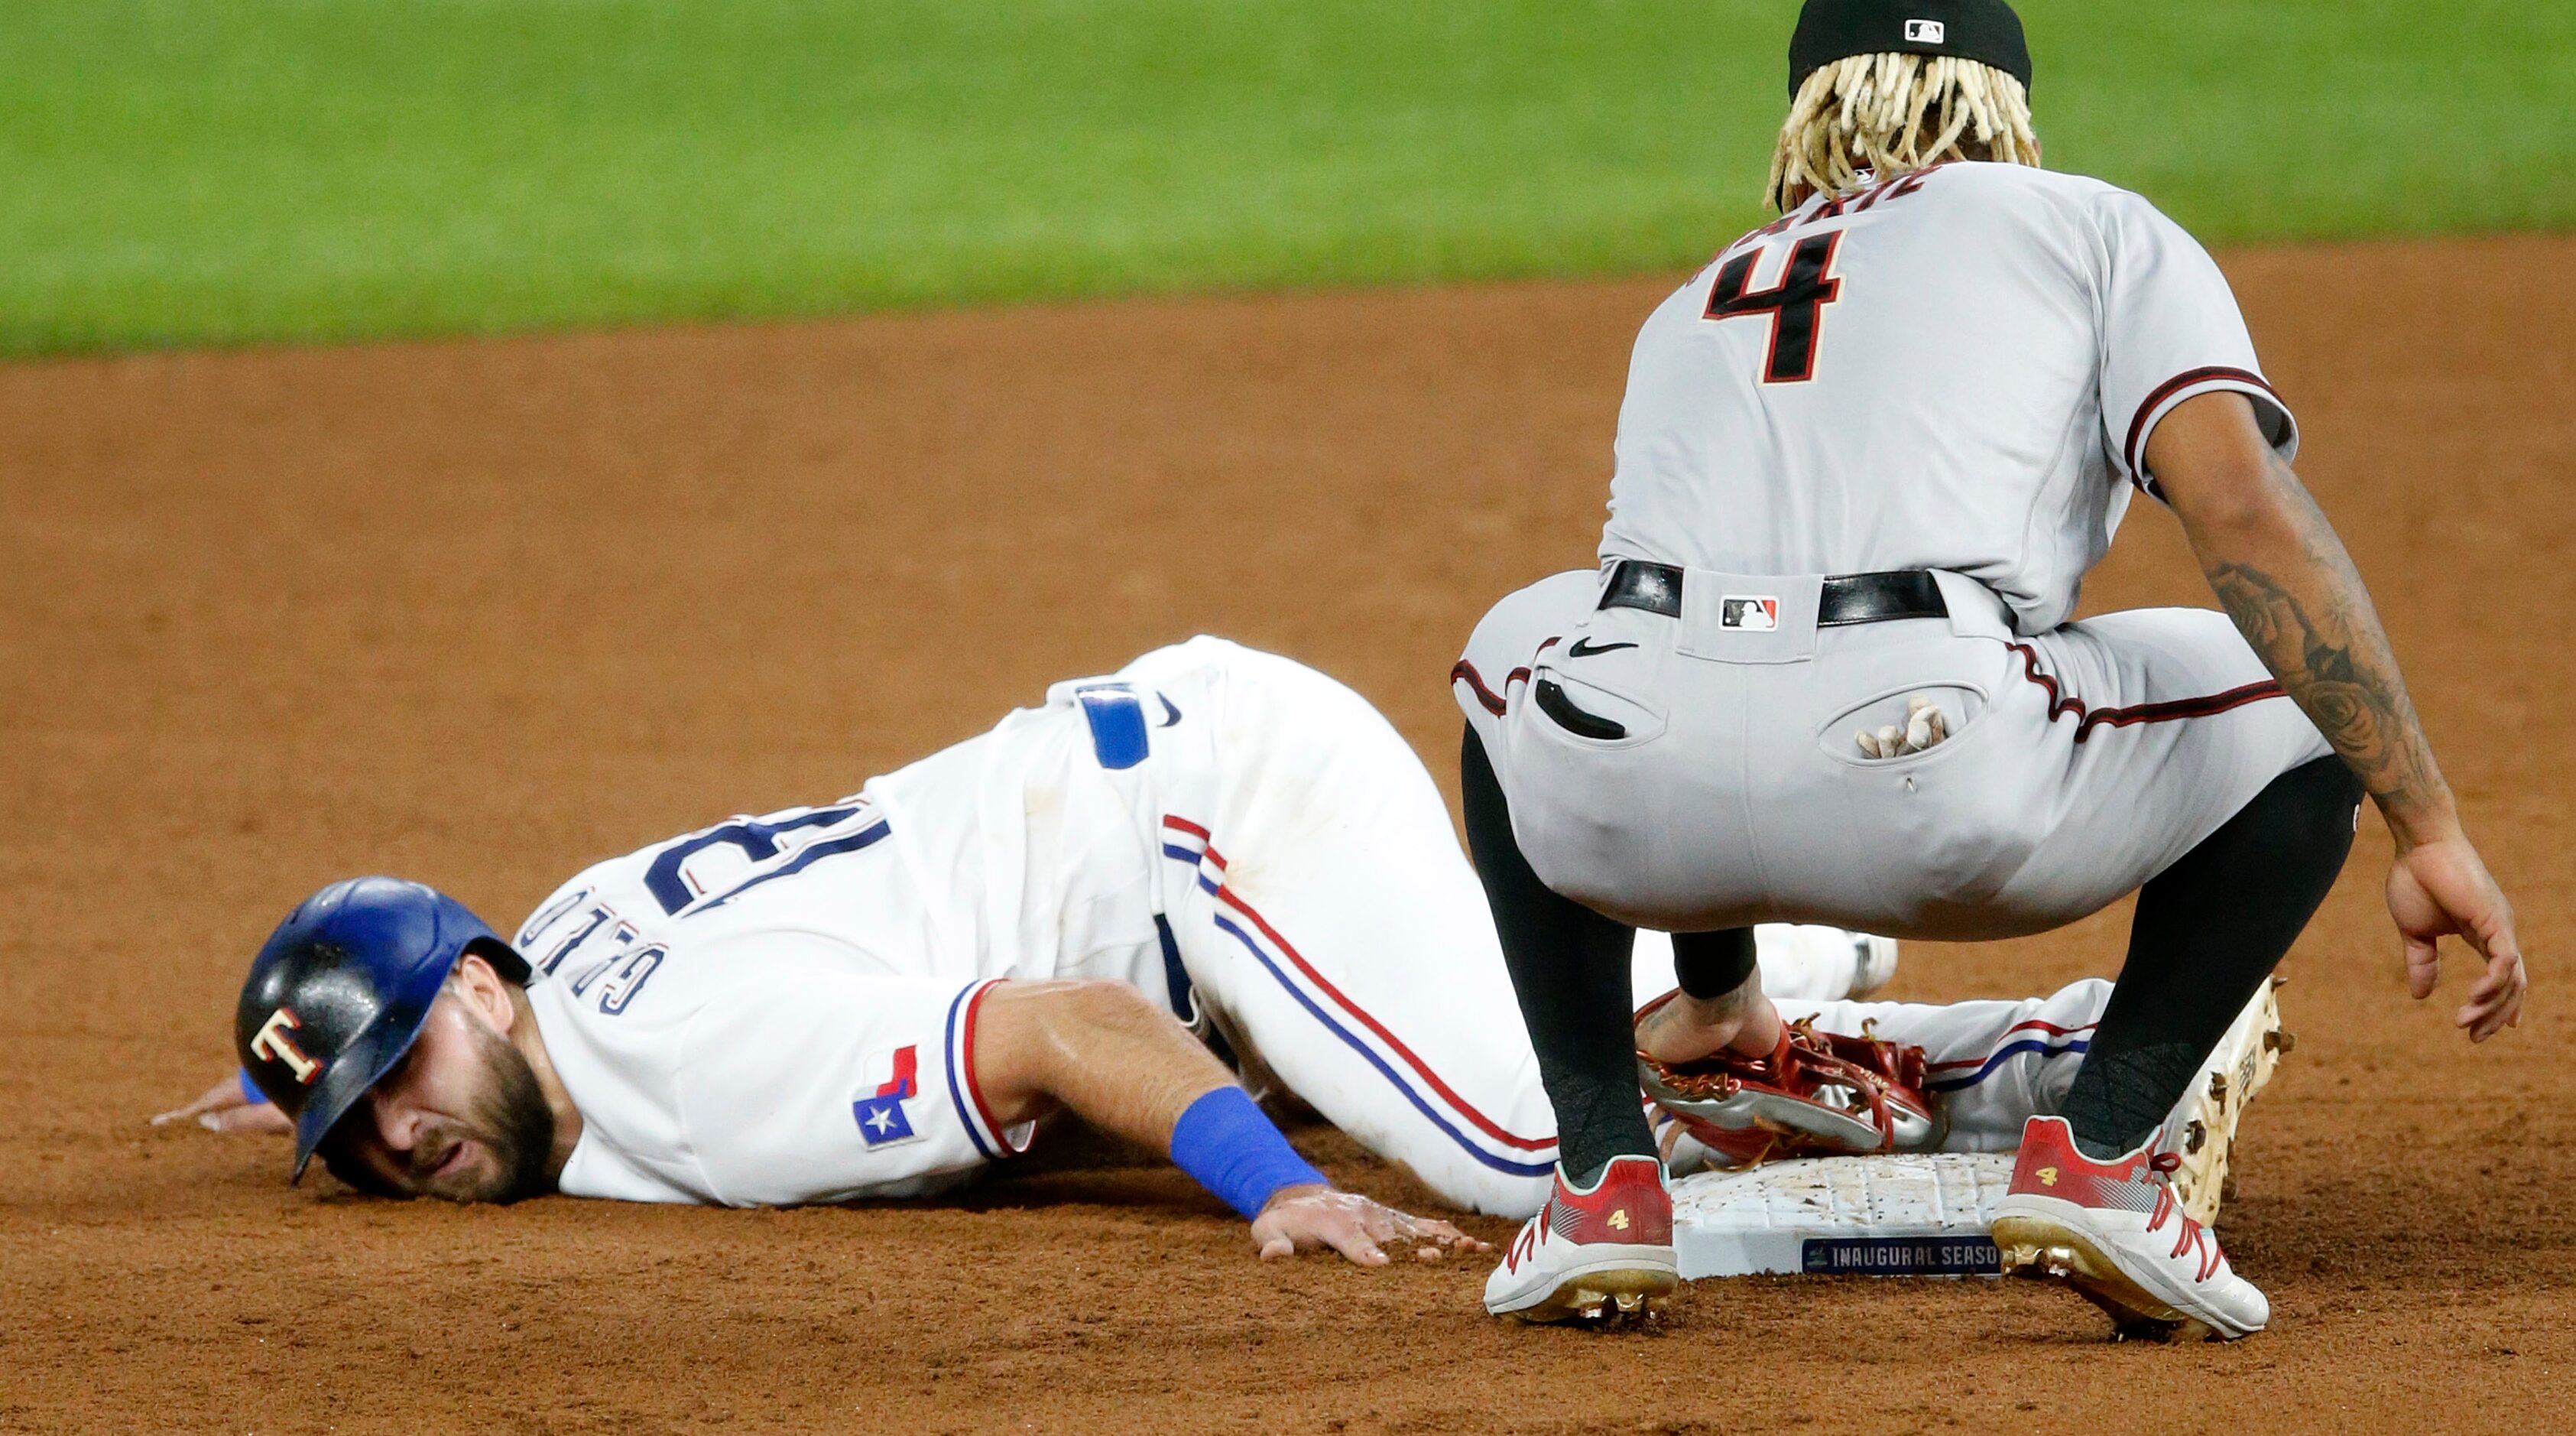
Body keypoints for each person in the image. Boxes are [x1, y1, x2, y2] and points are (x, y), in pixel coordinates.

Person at [1453, 0, 2525, 1336]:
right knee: (2297, 698)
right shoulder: (2091, 226)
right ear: (2004, 105)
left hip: (1624, 807)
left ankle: (1598, 1181)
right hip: (1935, 778)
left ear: (1811, 109)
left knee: (1528, 650)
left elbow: (1688, 636)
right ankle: (2105, 1160)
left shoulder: (1704, 293)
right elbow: (2241, 509)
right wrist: (2424, 821)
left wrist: (1718, 978)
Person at [167, 639, 2264, 1272]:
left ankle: (2047, 1056)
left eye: (399, 1083)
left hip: (1205, 847)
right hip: (1186, 781)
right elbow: (412, 1038)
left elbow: (1058, 1025)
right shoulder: (559, 938)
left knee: (1537, 1155)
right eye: (359, 1134)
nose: (400, 1137)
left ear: (478, 991)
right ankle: (1801, 903)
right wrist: (300, 1071)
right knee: (1494, 1046)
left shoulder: (682, 1063)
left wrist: (1275, 1191)